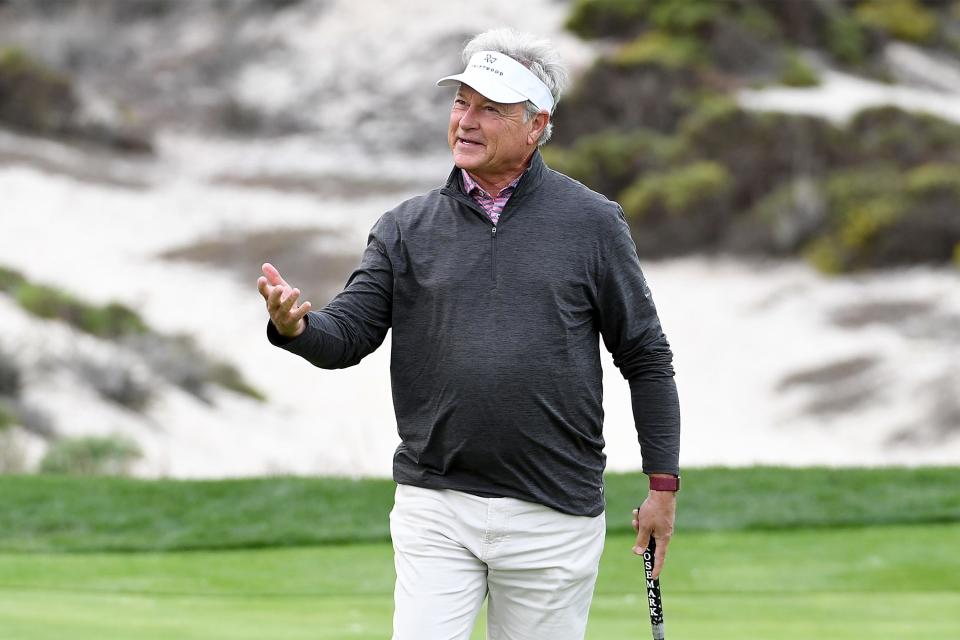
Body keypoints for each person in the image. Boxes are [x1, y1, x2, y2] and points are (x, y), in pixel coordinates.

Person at [258, 27, 681, 640]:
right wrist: (296, 327)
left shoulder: (591, 224)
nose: (467, 121)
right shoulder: (405, 228)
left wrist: (661, 485)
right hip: (437, 504)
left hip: (554, 510)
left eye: (491, 108)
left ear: (536, 125)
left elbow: (645, 358)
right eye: (461, 103)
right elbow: (348, 334)